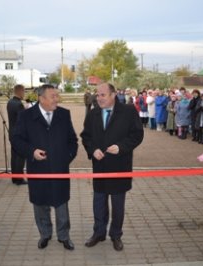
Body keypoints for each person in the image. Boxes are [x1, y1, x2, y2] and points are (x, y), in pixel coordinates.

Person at [11, 84, 78, 251]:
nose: (57, 99)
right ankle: (45, 234)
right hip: (38, 169)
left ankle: (64, 236)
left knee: (61, 204)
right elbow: (17, 140)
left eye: (57, 95)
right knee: (40, 204)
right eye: (53, 96)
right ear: (41, 99)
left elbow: (72, 140)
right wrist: (31, 151)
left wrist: (66, 158)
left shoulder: (64, 114)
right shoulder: (26, 116)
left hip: (60, 169)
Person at [80, 83, 143, 251]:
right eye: (97, 95)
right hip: (99, 166)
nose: (98, 98)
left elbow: (137, 135)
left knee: (118, 205)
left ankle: (116, 235)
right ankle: (99, 233)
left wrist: (121, 147)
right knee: (98, 202)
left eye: (103, 95)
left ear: (113, 95)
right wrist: (92, 150)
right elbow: (86, 136)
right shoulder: (93, 113)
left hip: (119, 166)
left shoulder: (128, 111)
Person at [7, 84, 28, 185]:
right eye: (24, 91)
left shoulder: (10, 102)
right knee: (20, 157)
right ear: (20, 91)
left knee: (14, 157)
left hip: (12, 133)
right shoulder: (19, 104)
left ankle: (14, 178)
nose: (24, 93)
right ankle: (19, 179)